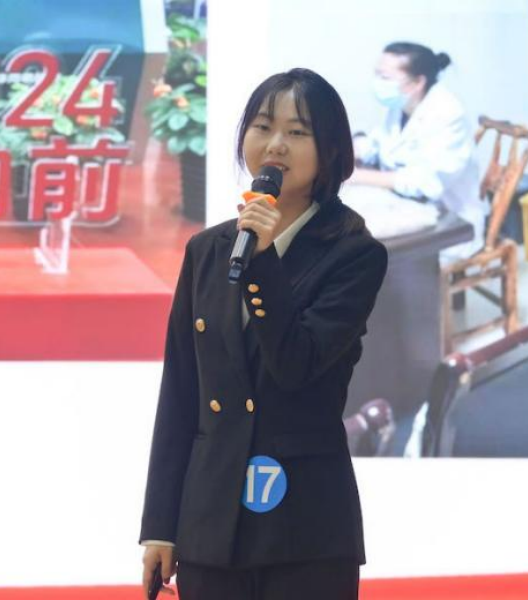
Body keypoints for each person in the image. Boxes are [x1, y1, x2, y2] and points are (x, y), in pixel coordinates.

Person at [139, 68, 388, 600]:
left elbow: (296, 364)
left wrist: (263, 258)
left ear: (330, 149)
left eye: (297, 132)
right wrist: (160, 524)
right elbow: (181, 391)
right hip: (210, 523)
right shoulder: (208, 250)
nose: (275, 144)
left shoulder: (355, 254)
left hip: (305, 528)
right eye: (262, 126)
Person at [350, 42, 485, 260]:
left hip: (447, 223)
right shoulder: (400, 106)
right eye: (377, 74)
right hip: (405, 205)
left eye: (385, 77)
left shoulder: (448, 114)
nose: (378, 82)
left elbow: (424, 182)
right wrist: (345, 150)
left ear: (417, 82)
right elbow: (379, 144)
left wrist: (357, 176)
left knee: (365, 256)